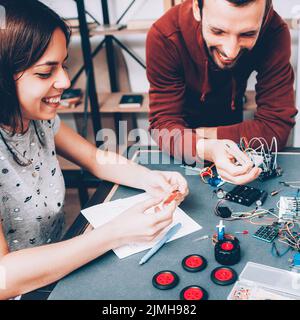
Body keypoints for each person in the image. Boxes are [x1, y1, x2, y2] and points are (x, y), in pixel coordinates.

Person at [0, 0, 188, 300]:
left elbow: (94, 158)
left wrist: (151, 179)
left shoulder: (36, 119)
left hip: (56, 272)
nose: (64, 81)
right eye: (45, 72)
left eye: (63, 65)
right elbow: (3, 278)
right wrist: (116, 232)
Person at [146, 0, 297, 184]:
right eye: (217, 31)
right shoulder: (165, 35)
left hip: (215, 129)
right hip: (181, 145)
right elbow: (163, 126)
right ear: (197, 8)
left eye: (248, 34)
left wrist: (201, 137)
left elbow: (275, 126)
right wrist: (205, 147)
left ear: (264, 18)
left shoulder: (274, 31)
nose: (230, 51)